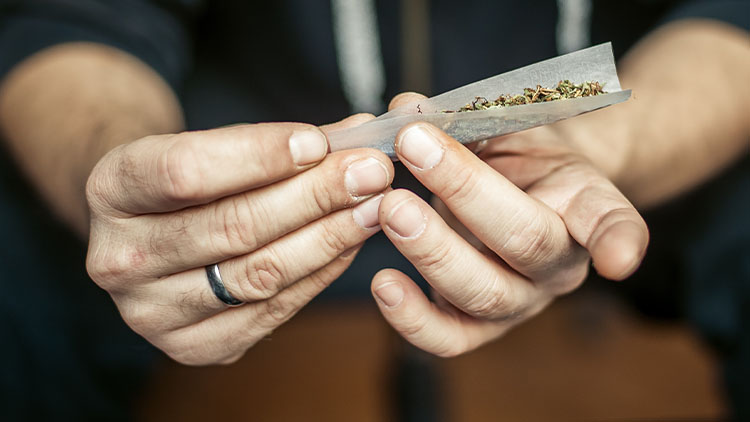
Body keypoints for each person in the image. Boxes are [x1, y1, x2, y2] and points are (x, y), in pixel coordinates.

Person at [0, 0, 748, 419]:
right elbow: (73, 19)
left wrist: (604, 147)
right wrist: (127, 176)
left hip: (625, 126)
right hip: (253, 140)